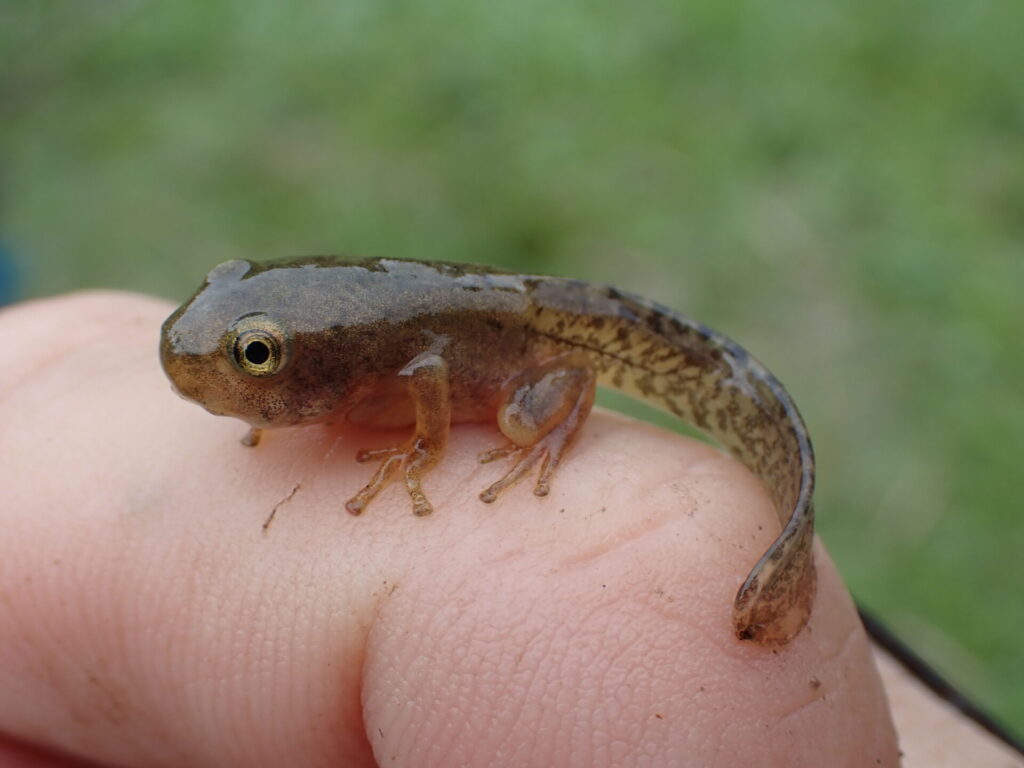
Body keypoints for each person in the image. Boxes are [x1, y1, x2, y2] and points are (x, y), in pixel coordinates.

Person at [0, 292, 1016, 767]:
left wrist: (422, 448)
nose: (231, 365)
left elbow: (430, 375)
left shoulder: (427, 362)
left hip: (524, 352)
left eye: (255, 353)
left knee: (537, 438)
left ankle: (550, 433)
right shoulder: (342, 358)